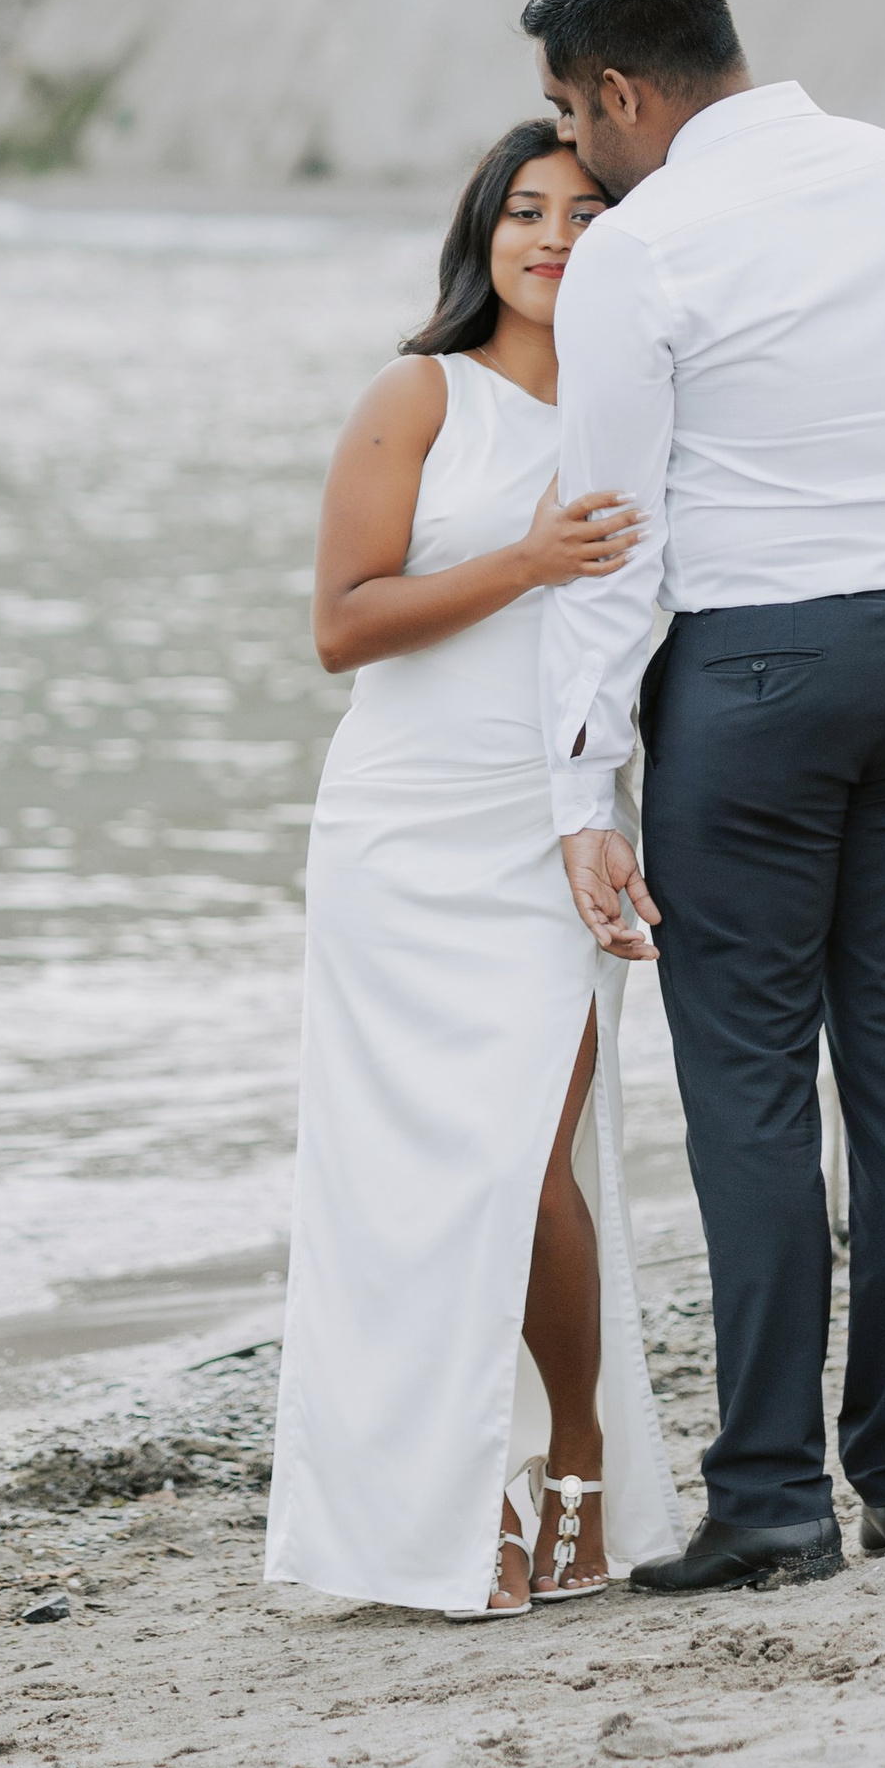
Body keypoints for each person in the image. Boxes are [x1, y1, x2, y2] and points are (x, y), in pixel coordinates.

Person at [526, 0, 885, 1594]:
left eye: (568, 111)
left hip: (757, 677)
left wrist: (576, 788)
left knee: (749, 1083)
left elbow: (614, 543)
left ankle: (767, 1498)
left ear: (621, 92)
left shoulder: (651, 241)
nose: (574, 152)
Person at [262, 122, 690, 1617]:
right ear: (482, 237)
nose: (552, 238)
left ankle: (570, 1461)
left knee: (528, 1168)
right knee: (416, 1189)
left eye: (584, 212)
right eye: (524, 211)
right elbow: (342, 624)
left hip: (553, 827)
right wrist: (523, 559)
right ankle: (462, 1509)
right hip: (398, 830)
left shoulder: (647, 421)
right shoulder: (419, 396)